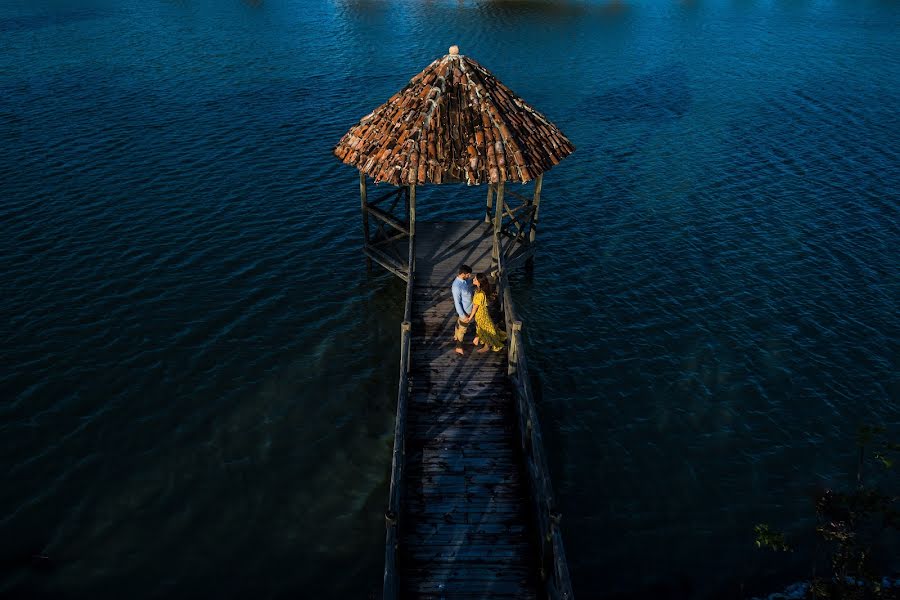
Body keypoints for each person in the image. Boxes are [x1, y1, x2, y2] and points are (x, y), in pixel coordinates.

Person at [463, 272, 508, 353]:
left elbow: (475, 307)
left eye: (475, 279)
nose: (473, 279)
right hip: (483, 312)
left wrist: (470, 317)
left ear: (479, 282)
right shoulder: (480, 289)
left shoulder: (480, 293)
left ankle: (486, 346)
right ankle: (478, 339)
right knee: (483, 328)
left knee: (484, 329)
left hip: (480, 314)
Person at [451, 264, 474, 355]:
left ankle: (456, 336)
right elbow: (457, 302)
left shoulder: (466, 280)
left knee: (459, 324)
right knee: (463, 329)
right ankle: (458, 347)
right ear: (463, 274)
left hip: (469, 307)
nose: (470, 276)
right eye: (468, 274)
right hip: (465, 311)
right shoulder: (456, 286)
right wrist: (463, 315)